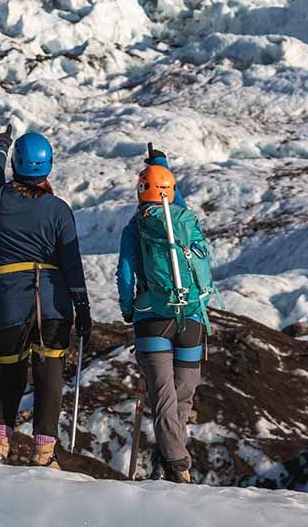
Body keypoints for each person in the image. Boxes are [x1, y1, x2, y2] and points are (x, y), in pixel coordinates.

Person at [0, 129, 89, 468]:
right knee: (49, 376)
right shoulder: (58, 210)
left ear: (16, 164)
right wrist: (83, 307)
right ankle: (43, 452)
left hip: (7, 301)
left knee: (10, 375)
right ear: (48, 167)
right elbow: (71, 263)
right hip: (52, 302)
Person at [116, 150, 214, 484]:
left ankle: (177, 465)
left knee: (163, 398)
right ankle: (169, 459)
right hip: (192, 318)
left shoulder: (136, 228)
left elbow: (126, 273)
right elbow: (171, 194)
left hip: (153, 319)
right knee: (182, 398)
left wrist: (129, 309)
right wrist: (162, 165)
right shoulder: (184, 219)